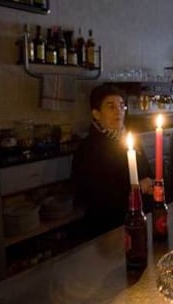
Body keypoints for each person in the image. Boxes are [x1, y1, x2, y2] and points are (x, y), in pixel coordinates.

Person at [72, 83, 153, 237]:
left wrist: (151, 183)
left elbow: (148, 172)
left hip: (140, 216)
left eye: (122, 106)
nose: (119, 112)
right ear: (96, 114)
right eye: (111, 107)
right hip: (109, 227)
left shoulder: (130, 139)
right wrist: (138, 189)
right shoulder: (88, 148)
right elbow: (97, 197)